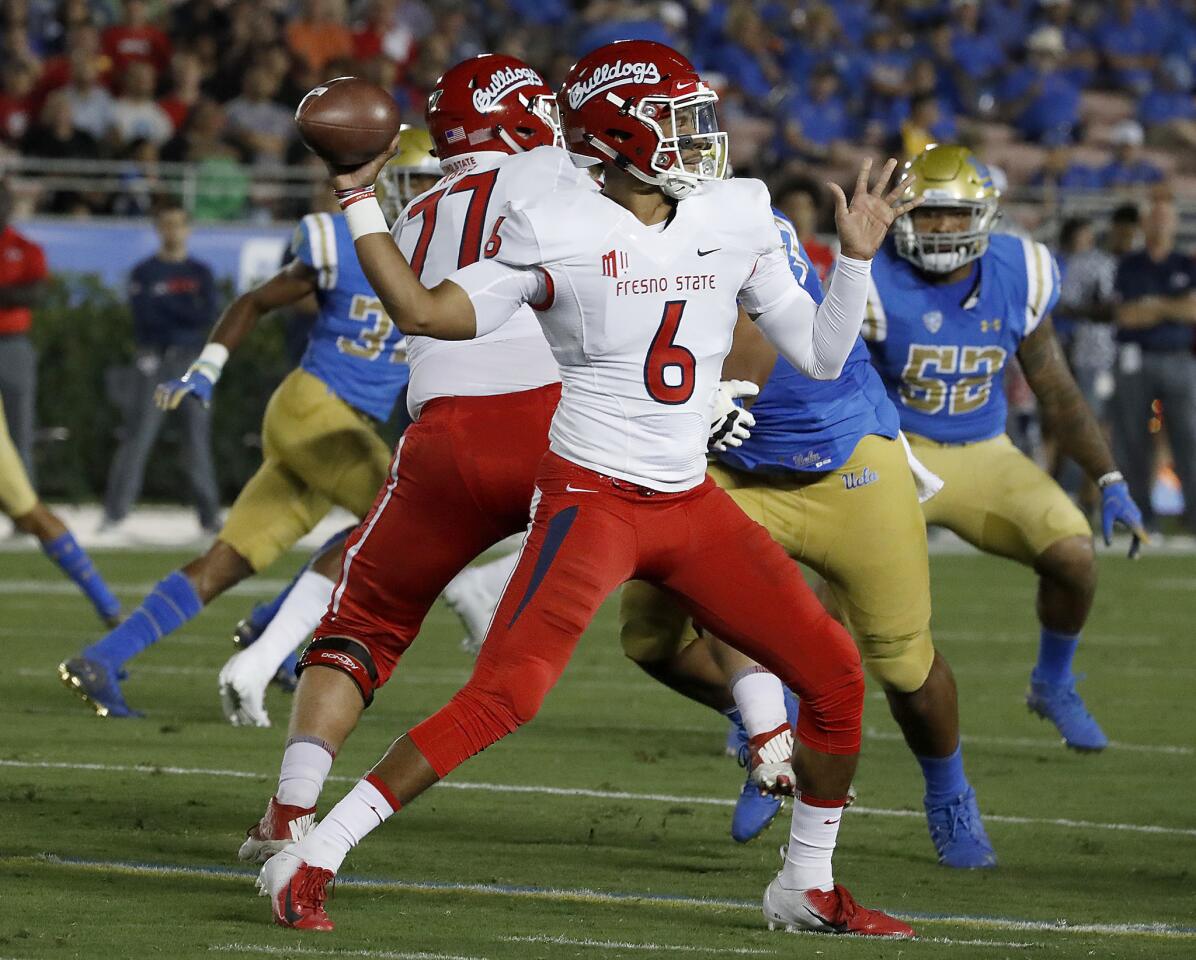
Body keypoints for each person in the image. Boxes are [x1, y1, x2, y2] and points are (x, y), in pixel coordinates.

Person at [258, 40, 916, 938]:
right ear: (616, 134)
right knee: (507, 697)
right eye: (677, 122)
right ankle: (316, 854)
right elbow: (423, 312)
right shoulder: (558, 223)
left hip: (688, 502)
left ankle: (805, 885)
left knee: (837, 675)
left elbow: (825, 352)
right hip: (592, 498)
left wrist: (858, 260)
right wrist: (355, 194)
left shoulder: (738, 209)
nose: (701, 138)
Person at [618, 199, 996, 866]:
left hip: (841, 461)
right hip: (732, 468)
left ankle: (948, 790)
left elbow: (756, 333)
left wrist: (724, 394)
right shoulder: (601, 236)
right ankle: (768, 724)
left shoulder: (734, 220)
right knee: (651, 637)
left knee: (904, 662)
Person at [58, 196, 411, 718]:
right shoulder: (345, 239)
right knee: (401, 517)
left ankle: (102, 659)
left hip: (336, 426)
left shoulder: (444, 254)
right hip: (316, 409)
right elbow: (255, 301)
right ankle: (271, 625)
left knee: (227, 560)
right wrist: (207, 367)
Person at [863, 144, 1147, 754]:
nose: (940, 228)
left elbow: (1057, 391)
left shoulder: (1022, 270)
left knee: (1073, 555)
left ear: (984, 218)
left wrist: (1110, 478)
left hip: (985, 450)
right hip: (897, 453)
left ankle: (1053, 682)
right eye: (927, 214)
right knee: (839, 594)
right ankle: (771, 712)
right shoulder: (870, 278)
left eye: (953, 215)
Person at [102, 202, 221, 535]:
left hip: (191, 358)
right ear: (158, 229)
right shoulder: (145, 272)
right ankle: (115, 515)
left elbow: (208, 316)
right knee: (138, 436)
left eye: (178, 224)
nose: (173, 231)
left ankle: (209, 517)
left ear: (188, 229)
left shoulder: (201, 272)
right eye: (166, 224)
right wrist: (183, 309)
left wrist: (167, 304)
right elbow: (145, 319)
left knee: (197, 439)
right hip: (153, 358)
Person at [1110, 198, 1196, 536]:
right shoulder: (1129, 265)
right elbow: (1126, 315)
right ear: (1145, 225)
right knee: (1131, 440)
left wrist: (1154, 306)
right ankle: (1138, 513)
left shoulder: (1185, 263)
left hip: (1178, 358)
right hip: (1135, 358)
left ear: (1175, 224)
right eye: (1155, 217)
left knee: (1189, 437)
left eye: (1166, 218)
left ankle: (1193, 514)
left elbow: (1193, 312)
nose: (1160, 224)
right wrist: (1171, 307)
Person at [1052, 217, 1118, 502]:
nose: (1088, 242)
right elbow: (1064, 306)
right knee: (1083, 423)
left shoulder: (1105, 262)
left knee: (1104, 426)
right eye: (1084, 236)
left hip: (1109, 355)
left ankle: (1093, 492)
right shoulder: (1075, 264)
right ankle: (1072, 488)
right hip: (1081, 354)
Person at [0, 179, 46, 480]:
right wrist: (10, 293)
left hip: (12, 345)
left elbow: (37, 293)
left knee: (19, 429)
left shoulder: (24, 247)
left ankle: (24, 510)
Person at [771, 176, 834, 282]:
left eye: (803, 207)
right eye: (791, 206)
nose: (797, 213)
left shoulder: (829, 255)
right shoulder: (771, 254)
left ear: (816, 212)